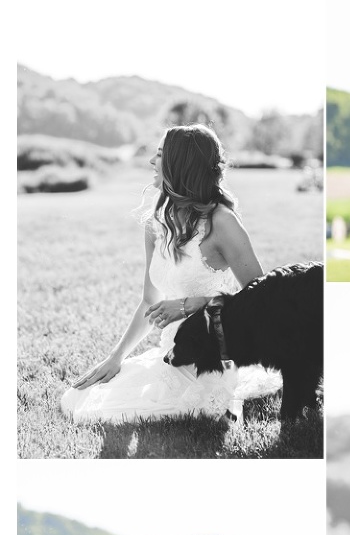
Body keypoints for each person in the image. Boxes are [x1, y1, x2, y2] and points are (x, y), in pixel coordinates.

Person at [60, 124, 281, 423]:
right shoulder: (157, 223)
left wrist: (193, 303)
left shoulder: (222, 222)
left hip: (211, 355)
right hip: (171, 352)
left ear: (181, 164)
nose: (152, 161)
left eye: (161, 154)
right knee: (79, 399)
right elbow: (148, 302)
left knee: (126, 412)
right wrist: (116, 358)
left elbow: (262, 302)